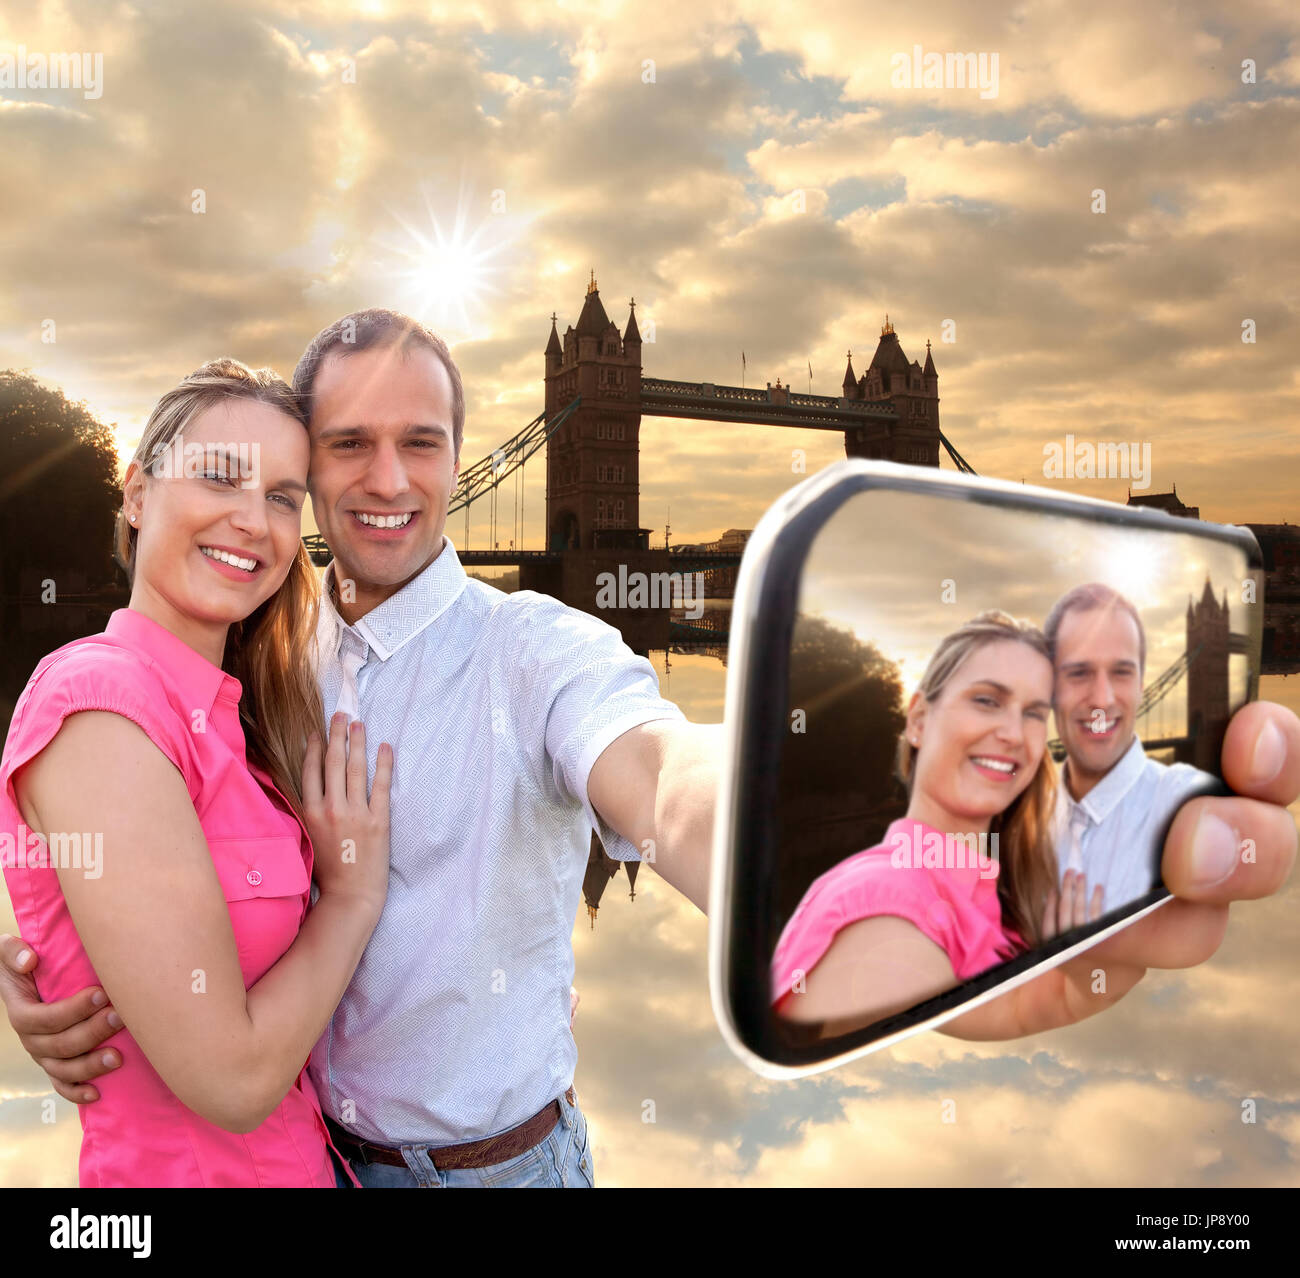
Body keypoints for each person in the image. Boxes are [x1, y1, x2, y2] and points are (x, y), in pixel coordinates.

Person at [2, 311, 1298, 1188]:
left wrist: (808, 900)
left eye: (423, 443)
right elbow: (113, 830)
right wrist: (45, 955)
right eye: (338, 451)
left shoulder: (540, 651)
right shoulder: (260, 661)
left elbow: (664, 770)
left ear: (460, 461)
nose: (380, 479)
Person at [0, 360, 392, 1187]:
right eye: (219, 477)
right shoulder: (98, 710)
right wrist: (355, 897)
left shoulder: (242, 722)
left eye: (284, 497)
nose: (253, 520)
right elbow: (234, 1078)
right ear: (138, 493)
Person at [773, 612, 1098, 1037]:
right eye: (987, 701)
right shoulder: (883, 909)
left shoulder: (1004, 891)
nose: (1014, 734)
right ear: (919, 721)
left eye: (1035, 713)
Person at [1044, 583, 1222, 914]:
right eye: (1079, 673)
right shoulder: (1015, 812)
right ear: (1049, 688)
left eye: (1121, 673)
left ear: (1142, 686)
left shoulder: (1184, 799)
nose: (1102, 699)